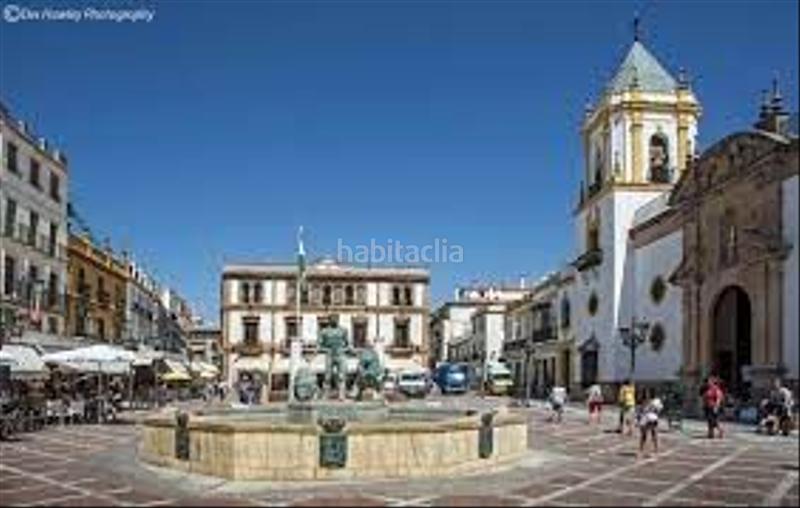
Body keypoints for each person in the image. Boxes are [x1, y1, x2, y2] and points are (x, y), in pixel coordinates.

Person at [637, 389, 664, 459]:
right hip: (646, 419)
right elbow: (641, 410)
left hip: (652, 419)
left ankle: (656, 450)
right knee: (644, 436)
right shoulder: (644, 401)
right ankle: (641, 451)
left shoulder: (656, 401)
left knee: (654, 435)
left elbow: (660, 409)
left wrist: (655, 410)